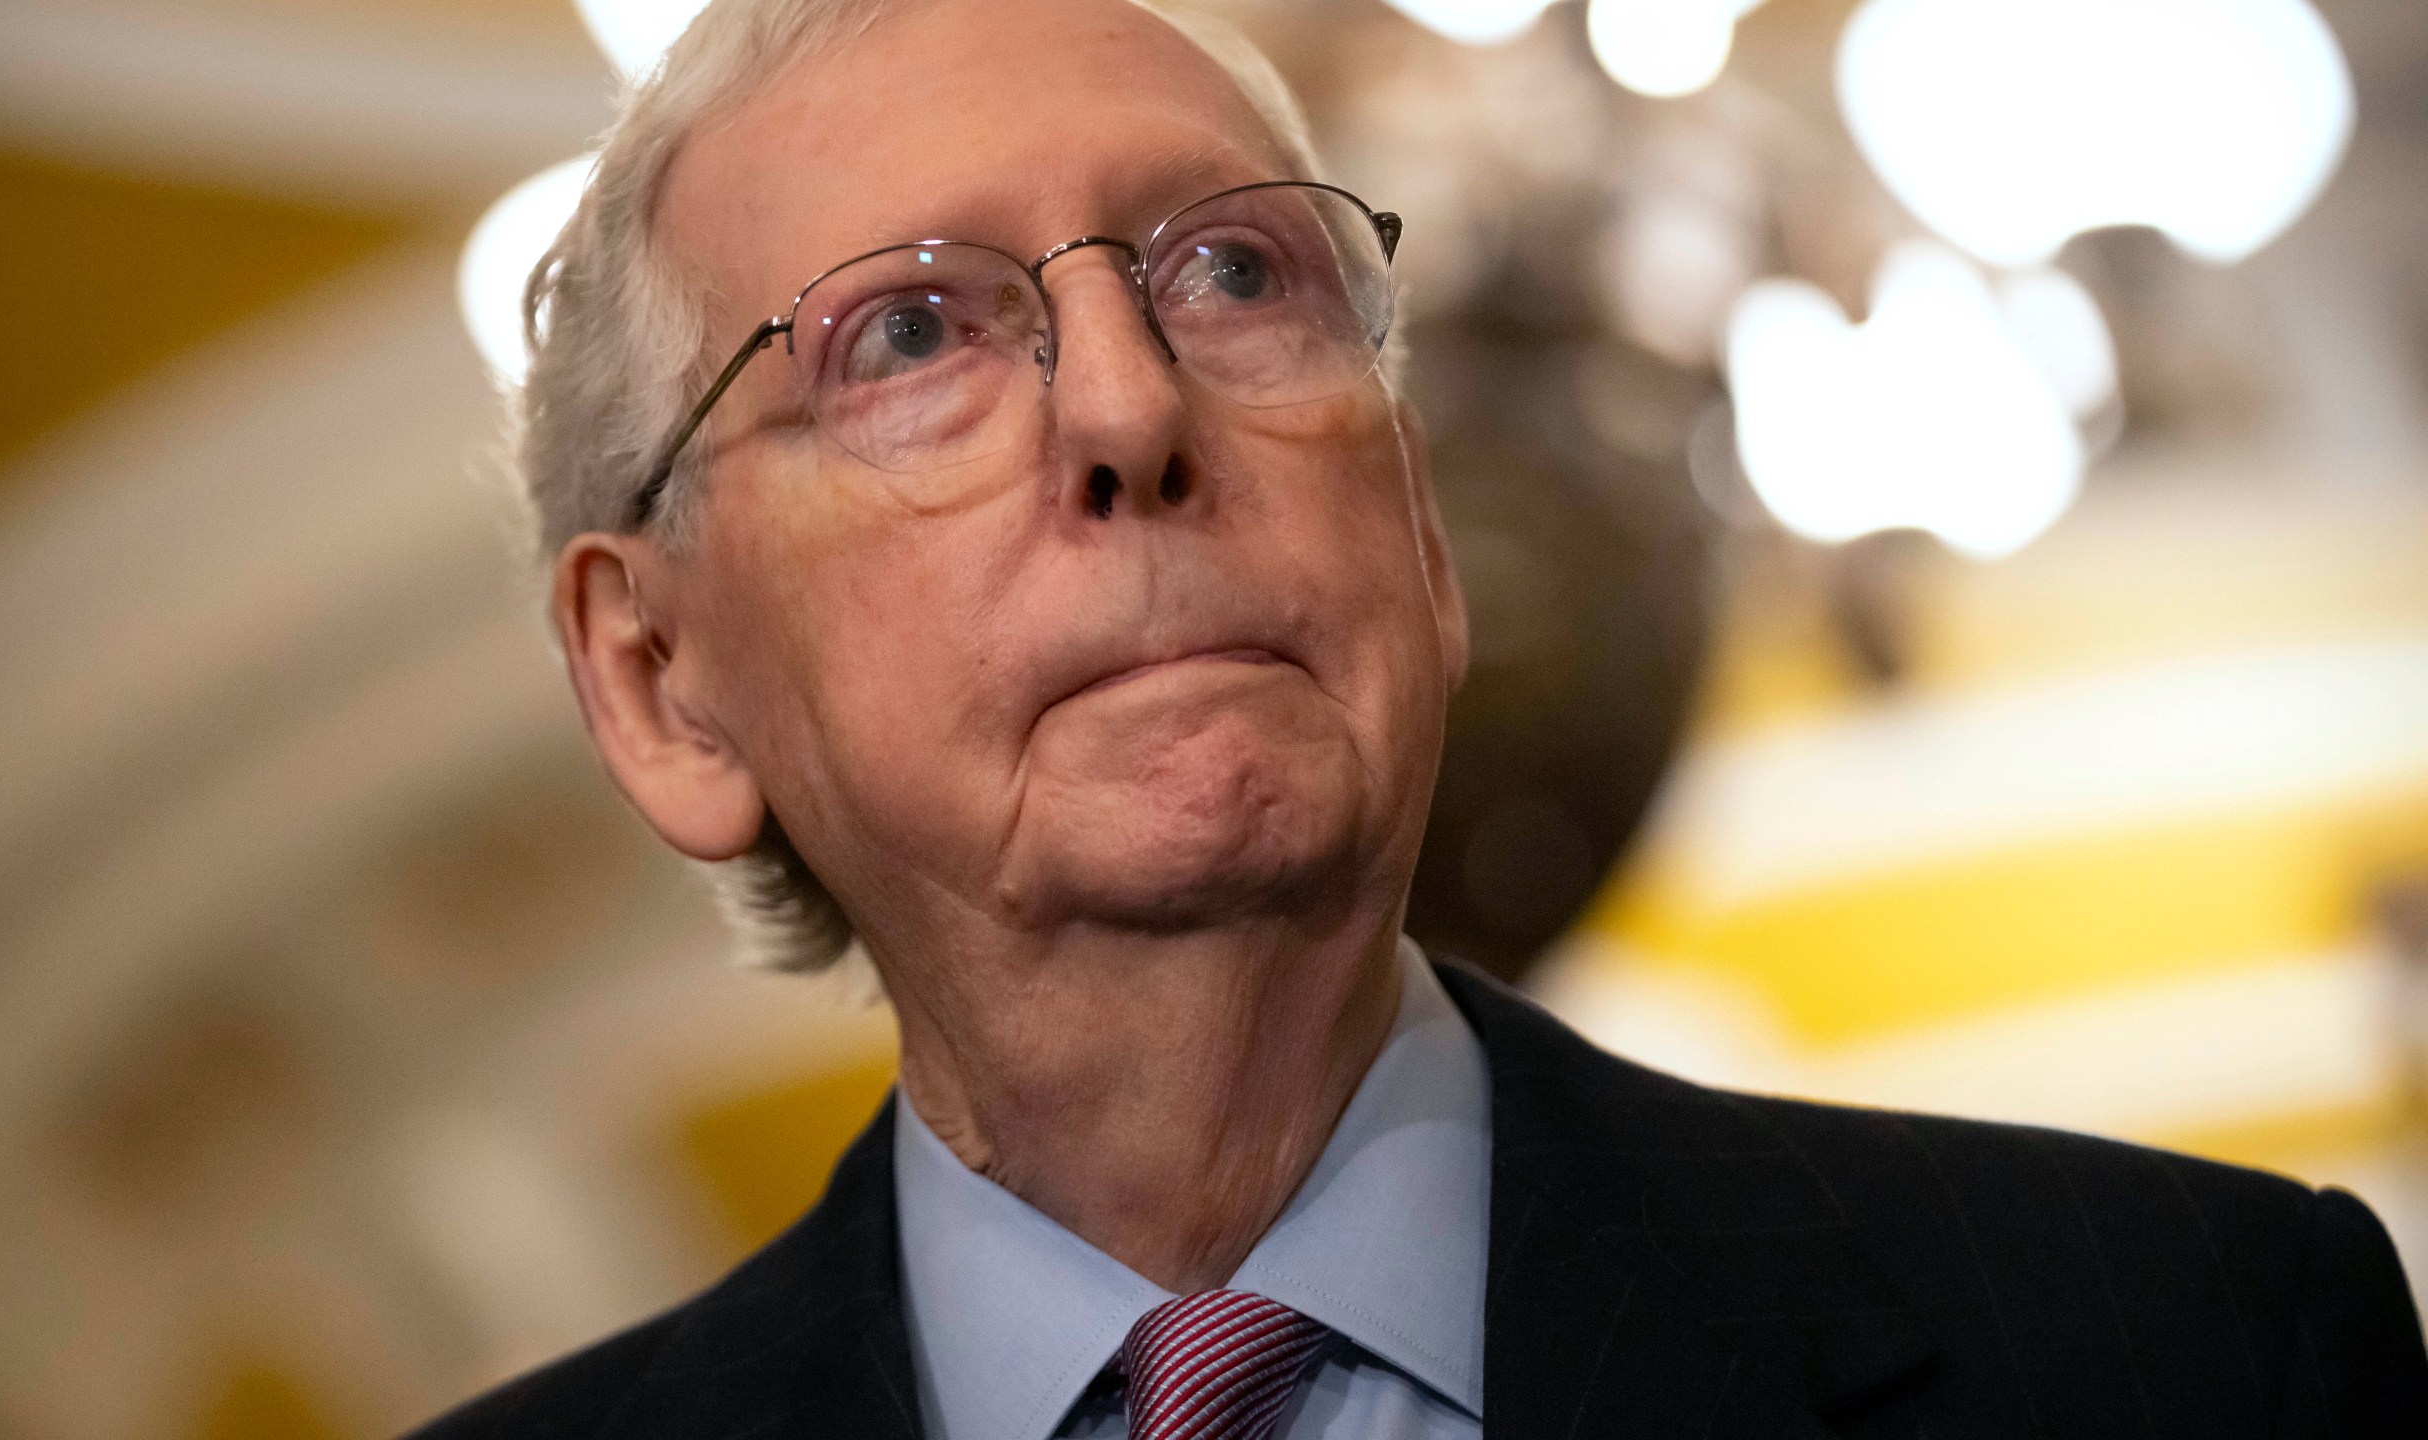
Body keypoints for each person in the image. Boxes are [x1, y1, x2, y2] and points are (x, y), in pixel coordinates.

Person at [408, 0, 2428, 1435]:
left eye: (1230, 272)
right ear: (663, 686)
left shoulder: (2186, 1352)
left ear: (1423, 532)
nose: (1127, 407)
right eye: (911, 332)